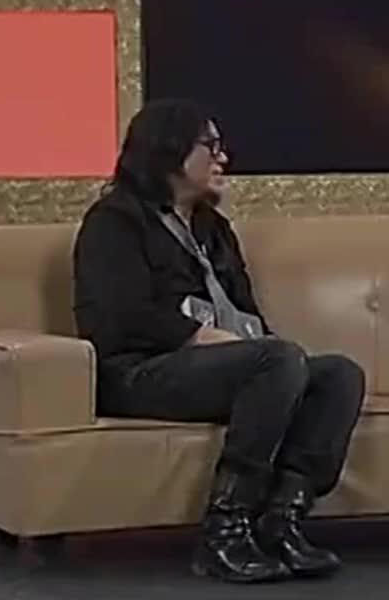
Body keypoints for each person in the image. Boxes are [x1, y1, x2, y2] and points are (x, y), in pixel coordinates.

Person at [72, 99, 366, 584]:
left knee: (337, 375)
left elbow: (246, 314)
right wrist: (199, 336)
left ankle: (281, 520)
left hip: (224, 367)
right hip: (141, 371)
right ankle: (224, 530)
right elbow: (114, 317)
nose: (223, 157)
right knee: (277, 359)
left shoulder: (214, 229)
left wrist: (269, 354)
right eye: (210, 146)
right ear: (170, 151)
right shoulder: (115, 221)